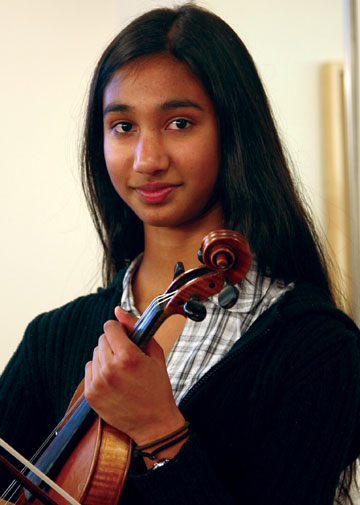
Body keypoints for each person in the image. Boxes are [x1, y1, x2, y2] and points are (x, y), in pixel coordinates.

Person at [0, 3, 359, 505]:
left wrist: (159, 429)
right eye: (123, 126)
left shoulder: (316, 348)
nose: (148, 159)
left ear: (234, 132)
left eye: (180, 123)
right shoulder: (52, 340)